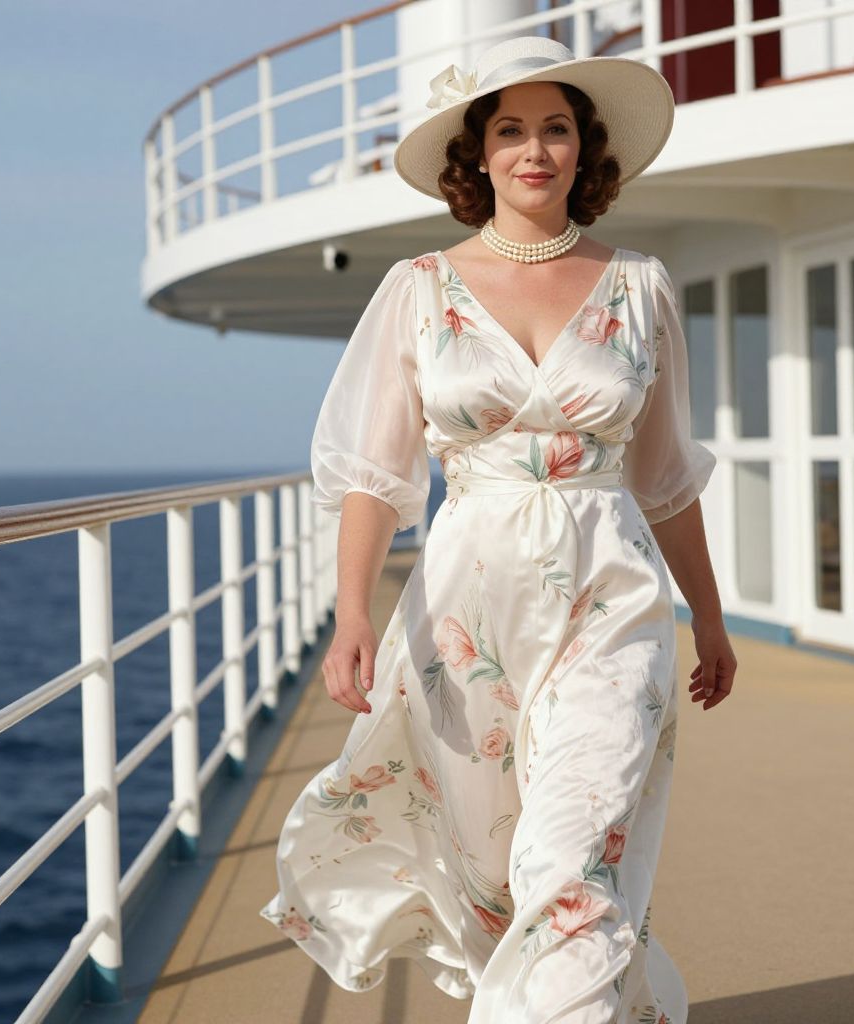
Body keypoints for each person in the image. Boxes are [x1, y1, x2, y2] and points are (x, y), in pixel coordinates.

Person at [260, 34, 737, 1024]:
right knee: (496, 882)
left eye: (555, 128)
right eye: (510, 129)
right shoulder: (418, 289)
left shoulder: (640, 284)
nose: (535, 149)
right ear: (476, 155)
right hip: (465, 621)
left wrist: (712, 616)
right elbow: (371, 474)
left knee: (573, 861)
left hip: (612, 605)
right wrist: (352, 612)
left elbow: (663, 479)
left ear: (583, 147)